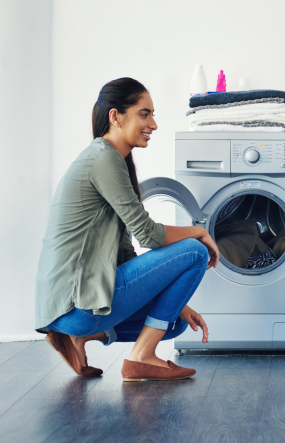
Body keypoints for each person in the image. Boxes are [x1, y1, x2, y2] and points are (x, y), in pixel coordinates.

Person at [34, 78, 220, 381]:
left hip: (69, 310)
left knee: (175, 322)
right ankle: (141, 358)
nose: (154, 124)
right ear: (116, 117)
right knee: (196, 252)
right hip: (78, 305)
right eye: (144, 114)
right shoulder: (104, 158)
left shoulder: (108, 159)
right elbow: (149, 234)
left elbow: (126, 252)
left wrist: (178, 301)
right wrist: (197, 231)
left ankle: (76, 338)